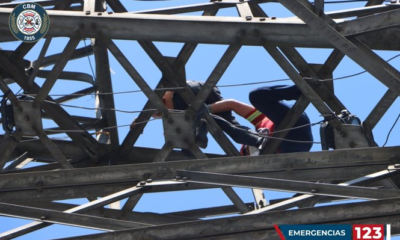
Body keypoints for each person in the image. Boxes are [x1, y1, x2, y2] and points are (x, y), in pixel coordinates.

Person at [150, 81, 269, 152]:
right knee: (233, 129)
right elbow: (231, 103)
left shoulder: (264, 122)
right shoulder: (265, 121)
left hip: (188, 94)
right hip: (197, 91)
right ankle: (199, 129)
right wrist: (206, 110)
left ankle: (199, 132)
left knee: (186, 139)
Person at [249, 85, 313, 153]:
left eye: (245, 149)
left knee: (256, 96)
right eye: (247, 152)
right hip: (290, 141)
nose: (247, 150)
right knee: (290, 159)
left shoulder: (260, 123)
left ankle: (298, 90)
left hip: (290, 119)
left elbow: (242, 110)